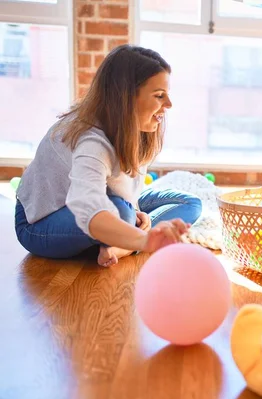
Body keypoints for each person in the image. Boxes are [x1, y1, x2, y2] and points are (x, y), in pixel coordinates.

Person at [14, 45, 202, 267]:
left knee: (190, 203)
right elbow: (89, 208)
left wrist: (140, 213)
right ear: (127, 97)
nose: (168, 105)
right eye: (159, 95)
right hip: (40, 222)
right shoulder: (91, 142)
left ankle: (119, 245)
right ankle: (126, 243)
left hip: (106, 200)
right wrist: (143, 238)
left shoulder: (131, 127)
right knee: (122, 213)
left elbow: (125, 191)